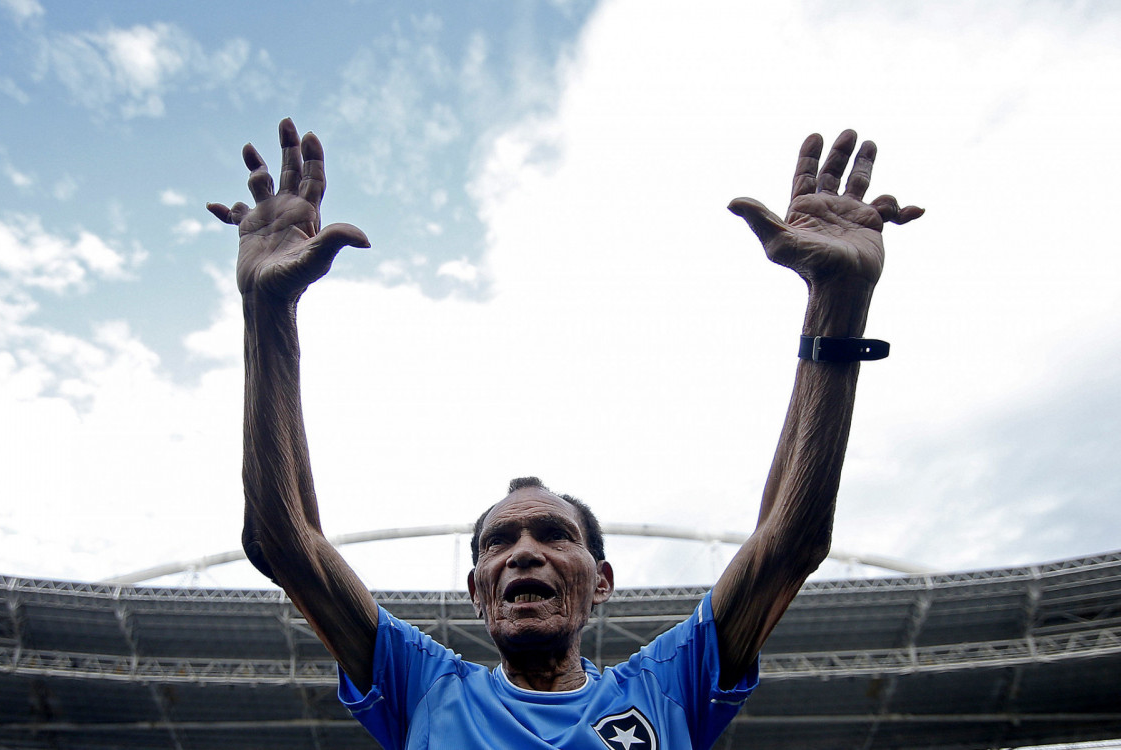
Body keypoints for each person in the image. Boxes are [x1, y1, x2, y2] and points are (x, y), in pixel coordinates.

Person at [207, 119, 922, 749]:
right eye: (499, 543)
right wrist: (267, 311)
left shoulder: (666, 689)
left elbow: (786, 546)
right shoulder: (423, 687)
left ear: (601, 582)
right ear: (477, 591)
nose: (524, 554)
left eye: (553, 534)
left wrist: (839, 302)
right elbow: (285, 543)